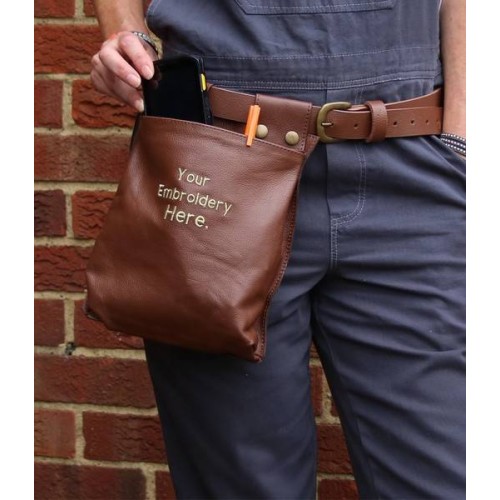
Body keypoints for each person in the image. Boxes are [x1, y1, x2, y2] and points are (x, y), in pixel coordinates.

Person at [90, 1, 465, 498]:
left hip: (414, 154)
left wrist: (465, 134)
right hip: (218, 157)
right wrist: (124, 31)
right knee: (242, 486)